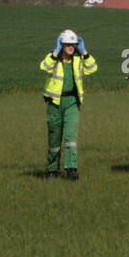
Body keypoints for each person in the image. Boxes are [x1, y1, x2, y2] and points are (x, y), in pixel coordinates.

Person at [39, 29, 98, 179]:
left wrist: (84, 52)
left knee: (71, 138)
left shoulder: (79, 59)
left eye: (73, 44)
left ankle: (71, 169)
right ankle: (52, 170)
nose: (71, 47)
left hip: (72, 102)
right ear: (61, 45)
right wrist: (55, 52)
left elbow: (93, 68)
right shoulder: (54, 59)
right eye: (67, 44)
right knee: (54, 138)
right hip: (55, 103)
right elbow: (44, 67)